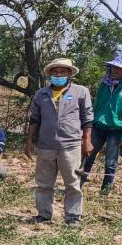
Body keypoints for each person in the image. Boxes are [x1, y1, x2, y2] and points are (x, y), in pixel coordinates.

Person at [24, 57, 92, 224]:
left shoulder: (81, 91)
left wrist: (87, 140)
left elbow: (87, 118)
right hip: (46, 145)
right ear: (50, 74)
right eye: (55, 71)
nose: (59, 74)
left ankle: (73, 217)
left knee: (73, 183)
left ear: (70, 74)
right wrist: (28, 142)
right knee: (44, 183)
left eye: (62, 71)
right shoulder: (41, 93)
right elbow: (34, 119)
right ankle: (44, 215)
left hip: (71, 144)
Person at [81, 53, 122, 194]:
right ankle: (77, 185)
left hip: (116, 129)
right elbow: (96, 104)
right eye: (113, 67)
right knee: (88, 155)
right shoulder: (104, 84)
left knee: (111, 161)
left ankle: (105, 191)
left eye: (118, 68)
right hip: (98, 126)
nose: (115, 70)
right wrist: (89, 124)